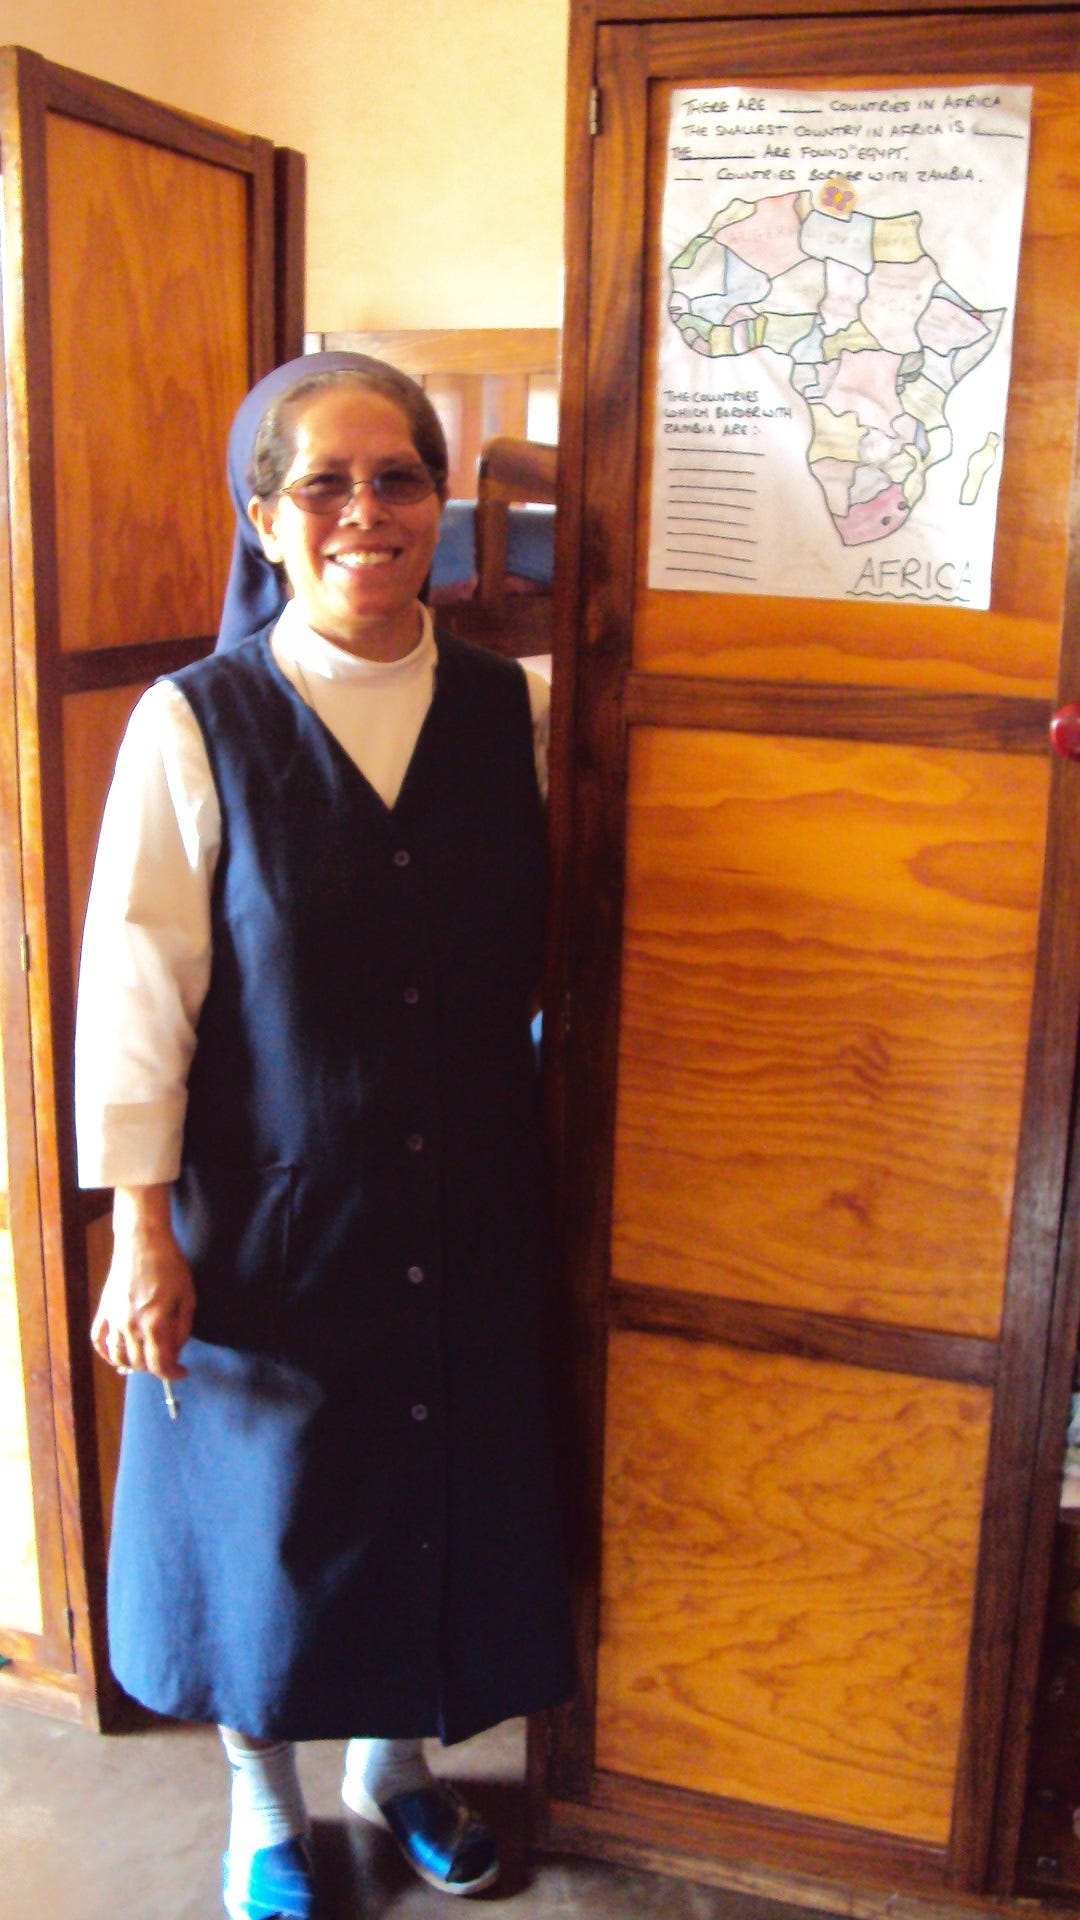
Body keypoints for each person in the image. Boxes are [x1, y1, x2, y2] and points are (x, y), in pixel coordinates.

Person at [76, 351, 575, 1920]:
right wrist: (140, 1225)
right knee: (269, 1523)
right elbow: (138, 984)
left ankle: (396, 1769)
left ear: (438, 502)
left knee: (426, 1494)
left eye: (400, 478)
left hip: (470, 1198)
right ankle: (259, 1809)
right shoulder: (196, 723)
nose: (369, 511)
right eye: (326, 485)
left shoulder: (517, 707)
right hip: (271, 1210)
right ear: (267, 521)